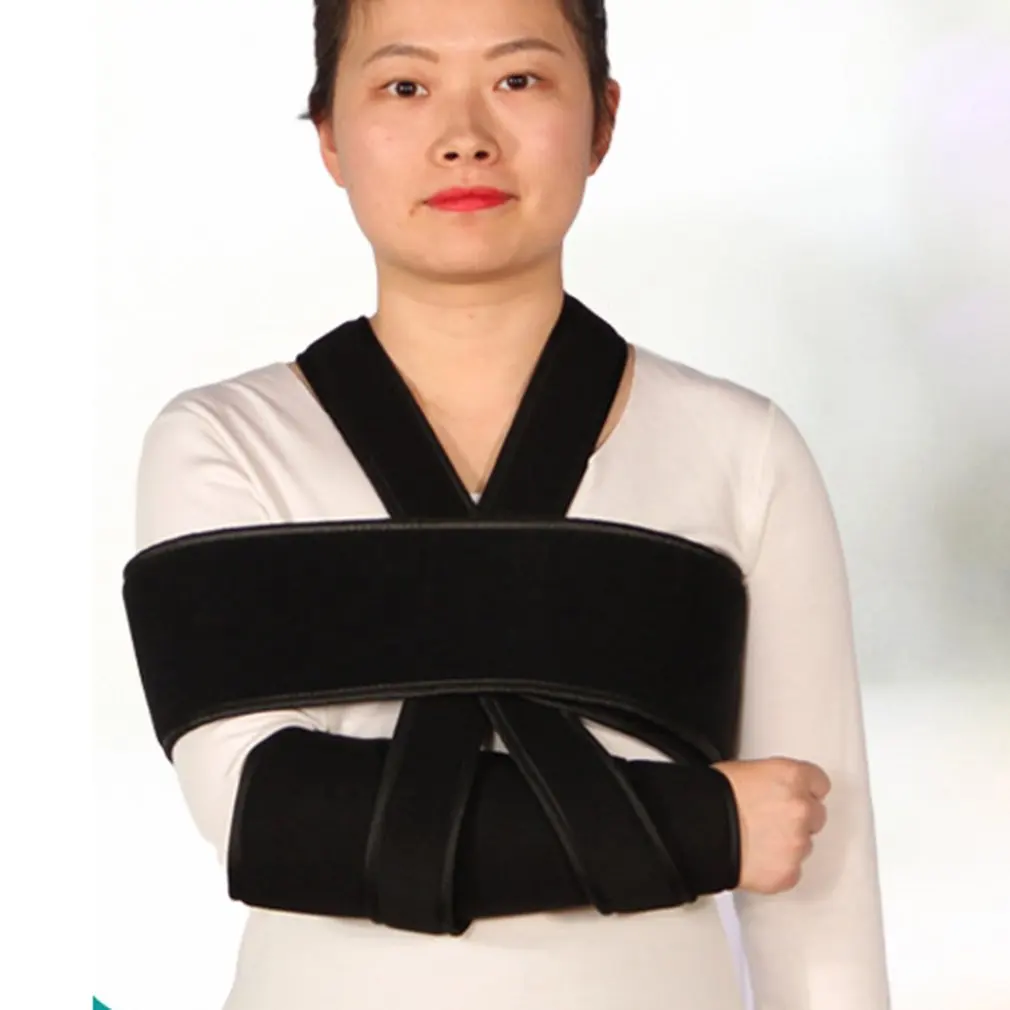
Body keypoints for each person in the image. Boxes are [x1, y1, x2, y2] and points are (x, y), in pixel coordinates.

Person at [130, 0, 891, 1007]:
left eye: (518, 79)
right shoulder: (224, 442)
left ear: (602, 119)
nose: (465, 136)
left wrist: (722, 828)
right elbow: (270, 820)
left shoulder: (740, 449)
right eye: (405, 85)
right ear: (329, 135)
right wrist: (706, 825)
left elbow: (818, 897)